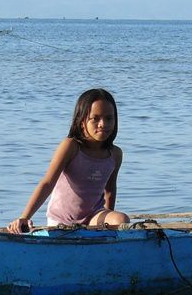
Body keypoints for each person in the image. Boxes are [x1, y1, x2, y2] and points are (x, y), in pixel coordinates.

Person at [7, 88, 129, 233]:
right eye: (95, 118)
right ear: (82, 121)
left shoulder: (115, 154)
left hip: (94, 217)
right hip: (62, 220)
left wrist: (108, 231)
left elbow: (110, 191)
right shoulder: (71, 146)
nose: (103, 124)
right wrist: (25, 217)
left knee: (122, 220)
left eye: (109, 118)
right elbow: (47, 183)